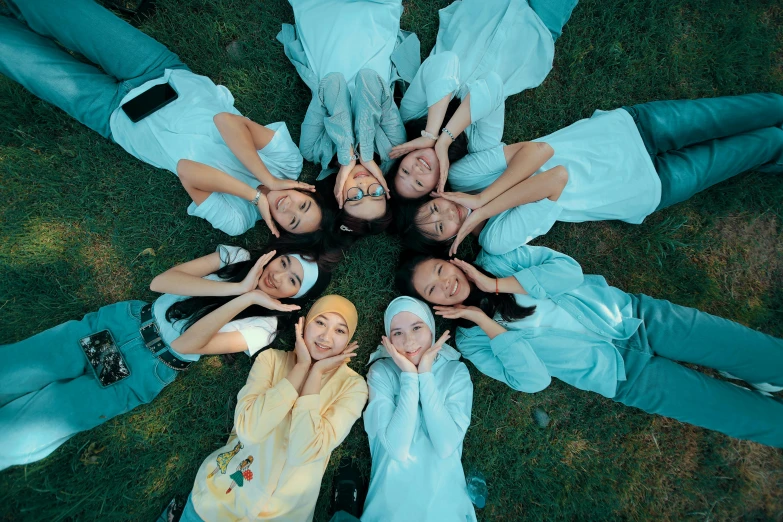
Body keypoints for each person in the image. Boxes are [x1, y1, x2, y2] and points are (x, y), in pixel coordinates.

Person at [0, 0, 332, 240]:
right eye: (303, 206)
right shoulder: (287, 161)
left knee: (15, 55)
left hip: (114, 116)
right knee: (60, 8)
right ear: (307, 191)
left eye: (291, 221)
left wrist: (256, 197)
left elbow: (187, 170)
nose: (289, 208)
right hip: (158, 72)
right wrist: (267, 179)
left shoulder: (237, 220)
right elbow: (226, 122)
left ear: (279, 230)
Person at [396, 247, 783, 447]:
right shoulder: (475, 341)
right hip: (627, 378)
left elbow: (569, 273)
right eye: (432, 288)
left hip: (637, 317)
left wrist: (495, 285)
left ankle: (761, 373)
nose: (445, 283)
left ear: (453, 262)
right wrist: (483, 320)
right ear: (433, 305)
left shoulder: (499, 260)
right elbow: (532, 381)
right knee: (742, 416)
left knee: (762, 354)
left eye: (441, 270)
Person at [0, 244, 331, 471]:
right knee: (25, 364)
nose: (279, 274)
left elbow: (188, 345)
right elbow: (162, 282)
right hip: (122, 326)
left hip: (143, 368)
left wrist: (246, 298)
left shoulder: (263, 327)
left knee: (46, 416)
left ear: (295, 297)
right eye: (284, 262)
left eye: (293, 280)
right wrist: (237, 286)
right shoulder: (237, 256)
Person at [398, 93, 783, 256]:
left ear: (437, 195)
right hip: (649, 185)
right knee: (759, 145)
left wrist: (480, 197)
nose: (444, 215)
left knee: (743, 112)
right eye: (438, 228)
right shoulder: (496, 239)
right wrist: (483, 210)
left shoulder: (465, 176)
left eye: (433, 210)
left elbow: (539, 152)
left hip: (625, 131)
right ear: (449, 243)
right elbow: (555, 178)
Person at [172, 295, 368, 522]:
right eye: (320, 323)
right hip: (216, 504)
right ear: (303, 324)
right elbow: (250, 431)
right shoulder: (270, 360)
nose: (326, 336)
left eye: (340, 331)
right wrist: (302, 367)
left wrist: (316, 375)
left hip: (284, 515)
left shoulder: (353, 386)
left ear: (349, 340)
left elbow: (302, 452)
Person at [388, 0, 579, 199]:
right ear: (436, 186)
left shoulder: (411, 116)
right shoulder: (478, 146)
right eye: (419, 183)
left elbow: (447, 62)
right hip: (535, 27)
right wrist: (445, 140)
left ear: (401, 158)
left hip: (486, 9)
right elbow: (492, 84)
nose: (416, 170)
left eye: (405, 171)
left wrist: (431, 134)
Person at [278, 0, 419, 237]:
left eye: (355, 197)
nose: (364, 186)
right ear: (386, 190)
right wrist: (365, 153)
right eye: (375, 194)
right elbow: (369, 80)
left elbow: (332, 84)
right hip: (369, 40)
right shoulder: (394, 149)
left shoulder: (311, 150)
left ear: (338, 196)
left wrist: (347, 157)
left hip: (328, 47)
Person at [361, 296, 475, 521]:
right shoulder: (380, 373)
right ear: (389, 340)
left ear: (432, 329)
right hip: (390, 508)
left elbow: (445, 446)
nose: (409, 341)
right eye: (398, 333)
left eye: (416, 328)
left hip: (446, 508)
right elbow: (397, 449)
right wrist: (409, 378)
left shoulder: (456, 373)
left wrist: (426, 375)